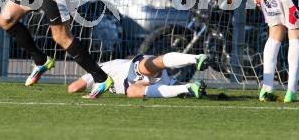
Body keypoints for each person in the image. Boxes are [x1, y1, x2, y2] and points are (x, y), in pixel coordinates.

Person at [68, 53, 209, 99]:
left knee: (146, 67)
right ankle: (188, 87)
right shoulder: (98, 76)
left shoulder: (99, 70)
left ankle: (196, 58)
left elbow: (73, 88)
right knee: (131, 91)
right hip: (138, 84)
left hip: (135, 68)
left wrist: (92, 92)